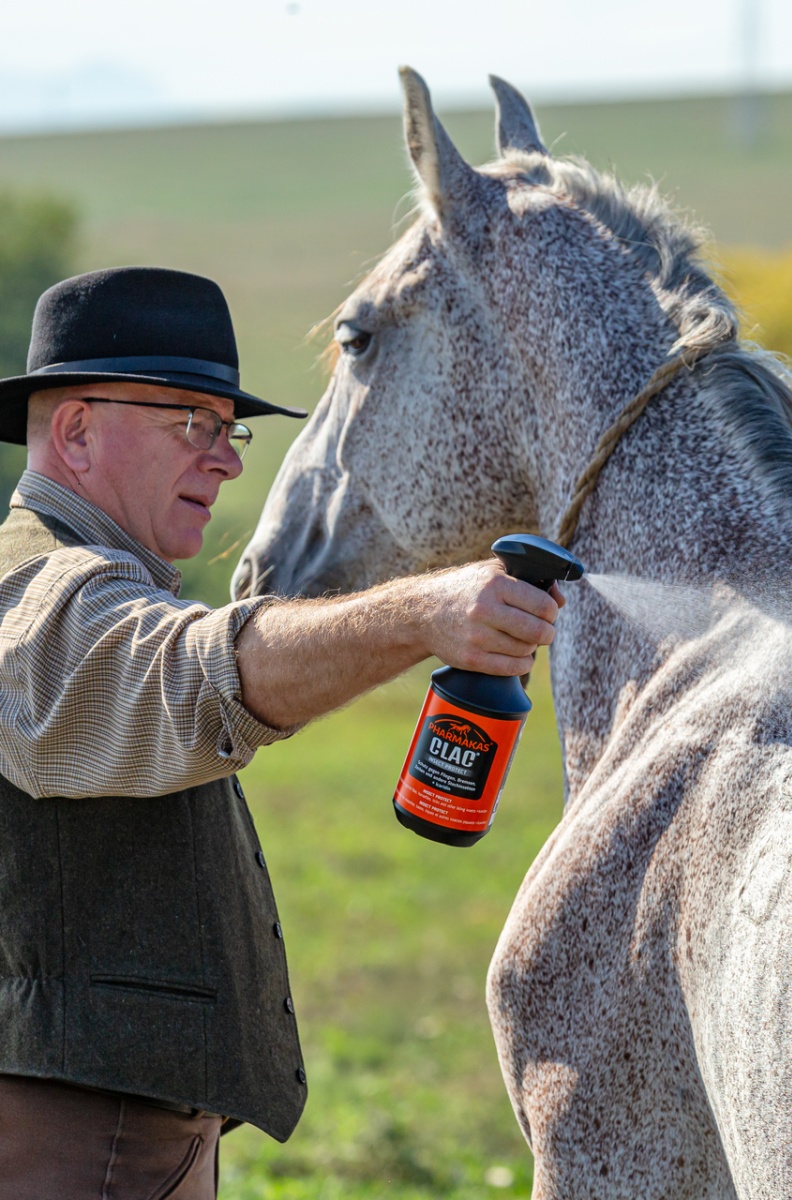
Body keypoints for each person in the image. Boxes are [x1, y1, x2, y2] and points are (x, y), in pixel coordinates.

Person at [0, 266, 562, 1199]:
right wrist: (424, 614)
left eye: (230, 430)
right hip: (77, 1137)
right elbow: (189, 673)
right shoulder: (33, 593)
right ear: (76, 429)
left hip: (121, 1128)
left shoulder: (98, 581)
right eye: (192, 422)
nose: (227, 461)